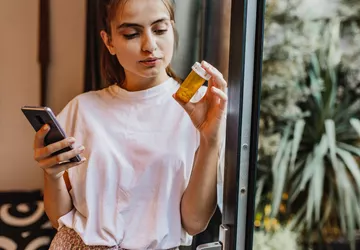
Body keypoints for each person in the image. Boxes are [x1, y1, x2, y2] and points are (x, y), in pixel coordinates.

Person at [32, 0, 227, 249]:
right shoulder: (81, 109)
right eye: (131, 34)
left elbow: (195, 222)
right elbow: (59, 217)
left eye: (159, 30)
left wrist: (210, 140)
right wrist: (52, 174)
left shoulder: (200, 108)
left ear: (173, 28)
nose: (150, 46)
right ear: (109, 41)